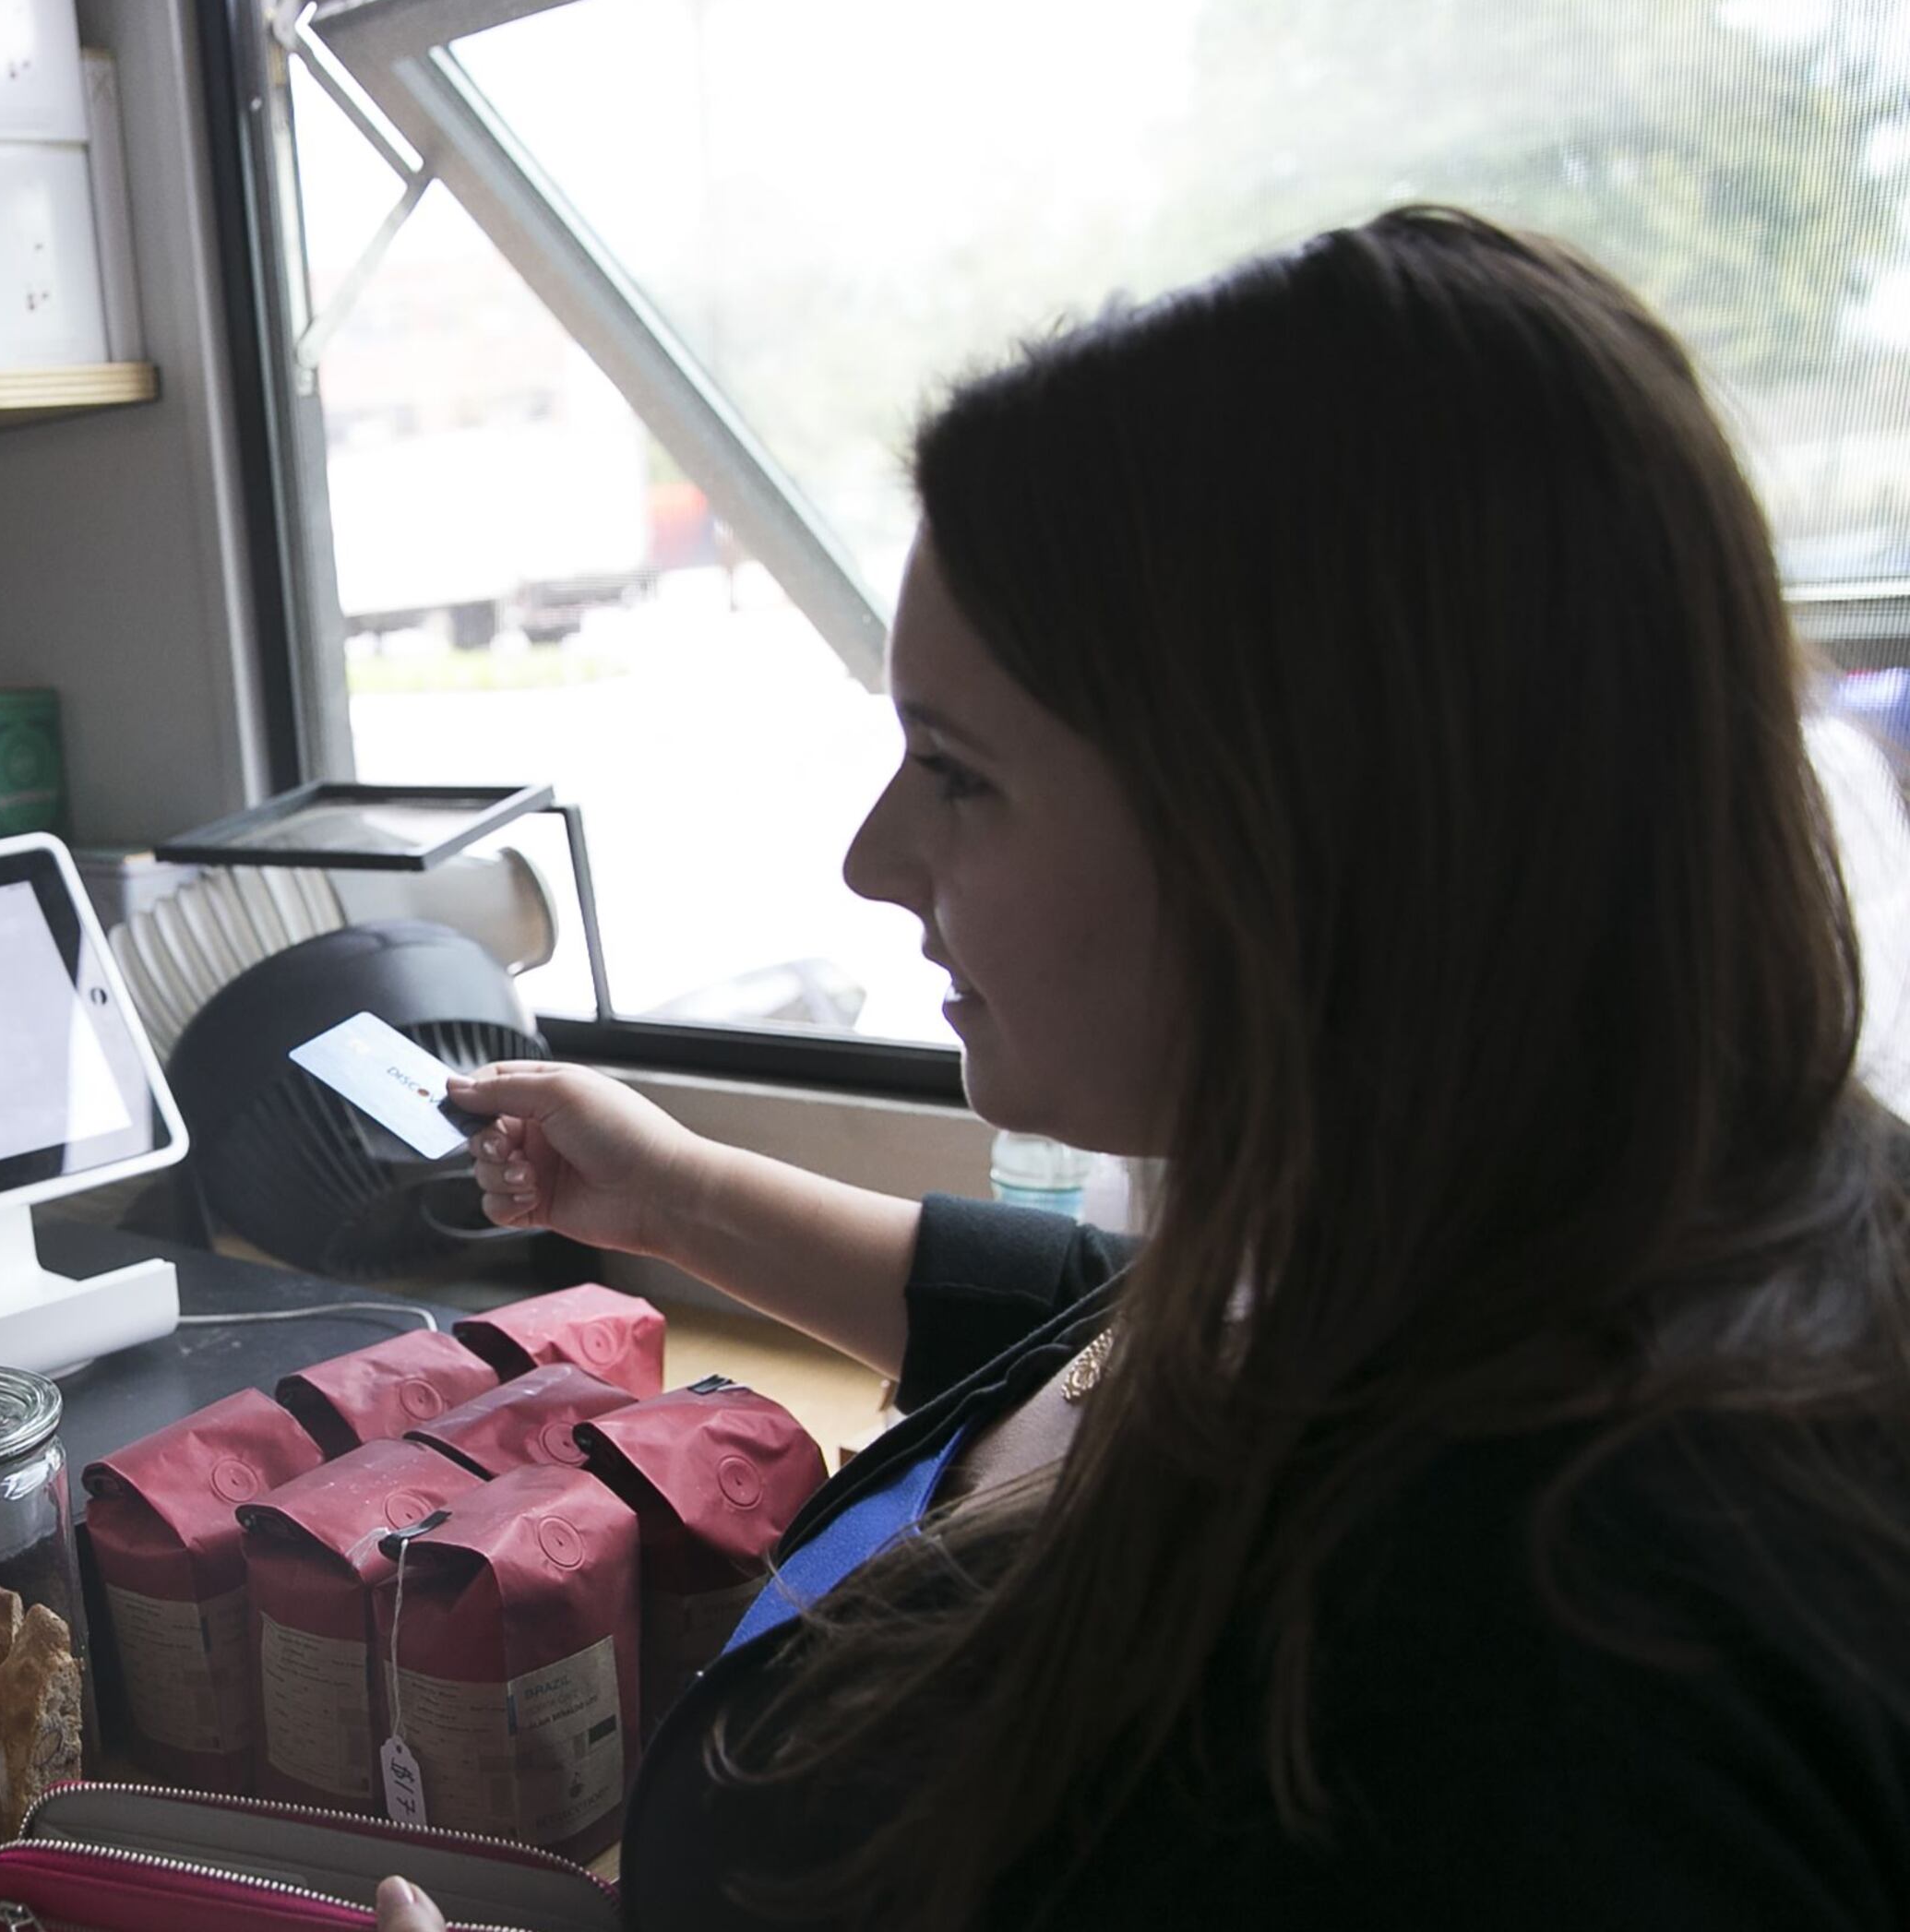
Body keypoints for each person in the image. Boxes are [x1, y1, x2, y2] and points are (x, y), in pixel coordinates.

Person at [380, 208, 1910, 1927]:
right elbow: (1117, 1326)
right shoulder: (1578, 1218)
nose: (875, 860)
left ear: (1298, 840)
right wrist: (675, 1194)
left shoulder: (1507, 1715)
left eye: (956, 773)